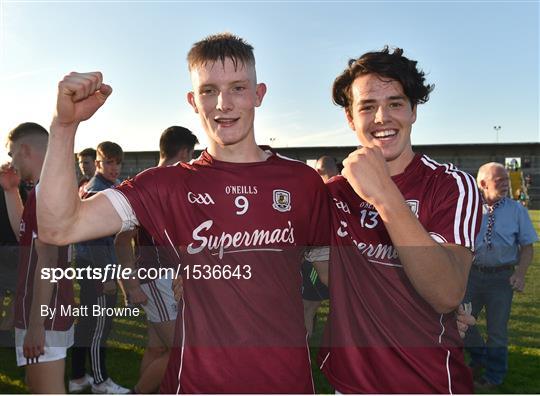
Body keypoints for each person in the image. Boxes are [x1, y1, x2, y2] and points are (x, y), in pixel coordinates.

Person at [37, 33, 331, 393]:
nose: (223, 103)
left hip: (287, 382)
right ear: (193, 100)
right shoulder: (165, 185)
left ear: (259, 94)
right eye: (209, 90)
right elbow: (58, 228)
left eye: (238, 87)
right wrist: (63, 127)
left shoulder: (303, 182)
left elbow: (331, 275)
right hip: (196, 382)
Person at [318, 47, 482, 393]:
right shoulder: (330, 196)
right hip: (349, 385)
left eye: (395, 103)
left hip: (428, 383)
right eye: (367, 107)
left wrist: (384, 195)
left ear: (413, 111)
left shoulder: (451, 184)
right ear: (350, 118)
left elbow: (447, 292)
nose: (382, 117)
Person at [114, 125, 198, 393]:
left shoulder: (147, 181)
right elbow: (121, 238)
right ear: (184, 152)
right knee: (182, 350)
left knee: (157, 346)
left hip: (160, 278)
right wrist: (131, 282)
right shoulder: (155, 184)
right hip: (158, 279)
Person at [1, 122, 74, 393]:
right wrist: (11, 191)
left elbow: (48, 263)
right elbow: (26, 234)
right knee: (37, 385)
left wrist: (35, 325)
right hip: (43, 309)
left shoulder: (48, 193)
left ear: (25, 150)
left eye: (11, 154)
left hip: (45, 312)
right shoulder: (42, 190)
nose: (11, 161)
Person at [464, 162, 538, 389]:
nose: (506, 185)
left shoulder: (517, 211)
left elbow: (527, 247)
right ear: (483, 184)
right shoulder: (468, 208)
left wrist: (521, 274)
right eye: (500, 181)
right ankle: (480, 357)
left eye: (507, 180)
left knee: (497, 331)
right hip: (471, 277)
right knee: (461, 323)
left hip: (501, 280)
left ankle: (494, 376)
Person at [69, 141, 129, 394]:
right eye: (109, 162)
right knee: (99, 326)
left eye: (117, 162)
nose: (114, 167)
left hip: (92, 263)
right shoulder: (97, 190)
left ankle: (78, 377)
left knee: (87, 323)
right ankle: (100, 381)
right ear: (97, 164)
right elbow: (93, 238)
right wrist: (106, 275)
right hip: (96, 266)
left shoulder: (107, 186)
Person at [302, 156, 336, 336]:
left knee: (308, 307)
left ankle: (304, 351)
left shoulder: (323, 191)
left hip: (320, 257)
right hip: (346, 260)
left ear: (319, 171)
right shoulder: (351, 188)